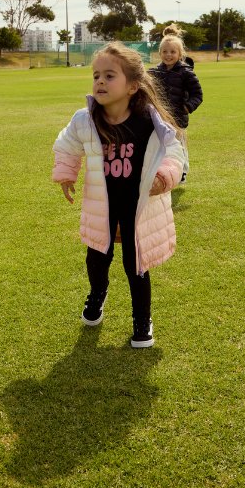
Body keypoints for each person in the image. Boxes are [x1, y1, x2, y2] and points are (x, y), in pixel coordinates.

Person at [53, 41, 184, 348]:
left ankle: (142, 319)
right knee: (97, 257)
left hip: (137, 207)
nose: (100, 81)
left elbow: (174, 152)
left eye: (110, 76)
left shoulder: (149, 122)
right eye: (96, 75)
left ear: (133, 86)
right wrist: (66, 172)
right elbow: (67, 144)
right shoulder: (85, 120)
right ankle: (97, 293)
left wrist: (164, 176)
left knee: (135, 264)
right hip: (102, 205)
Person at [149, 24, 203, 182]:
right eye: (165, 52)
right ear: (160, 53)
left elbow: (197, 95)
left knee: (179, 146)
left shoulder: (186, 73)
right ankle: (162, 172)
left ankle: (182, 172)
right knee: (161, 146)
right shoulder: (154, 73)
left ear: (180, 54)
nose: (168, 55)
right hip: (159, 118)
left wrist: (186, 107)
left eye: (172, 52)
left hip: (178, 119)